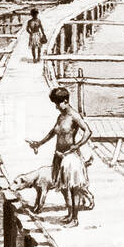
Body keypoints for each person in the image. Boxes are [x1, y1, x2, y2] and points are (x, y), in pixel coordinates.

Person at [28, 86, 93, 226]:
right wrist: (39, 143)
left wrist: (78, 145)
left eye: (58, 103)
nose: (56, 107)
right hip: (58, 156)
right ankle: (70, 214)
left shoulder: (74, 115)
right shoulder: (61, 116)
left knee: (74, 188)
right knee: (63, 188)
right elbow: (53, 132)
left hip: (70, 156)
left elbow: (88, 131)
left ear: (65, 101)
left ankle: (75, 219)